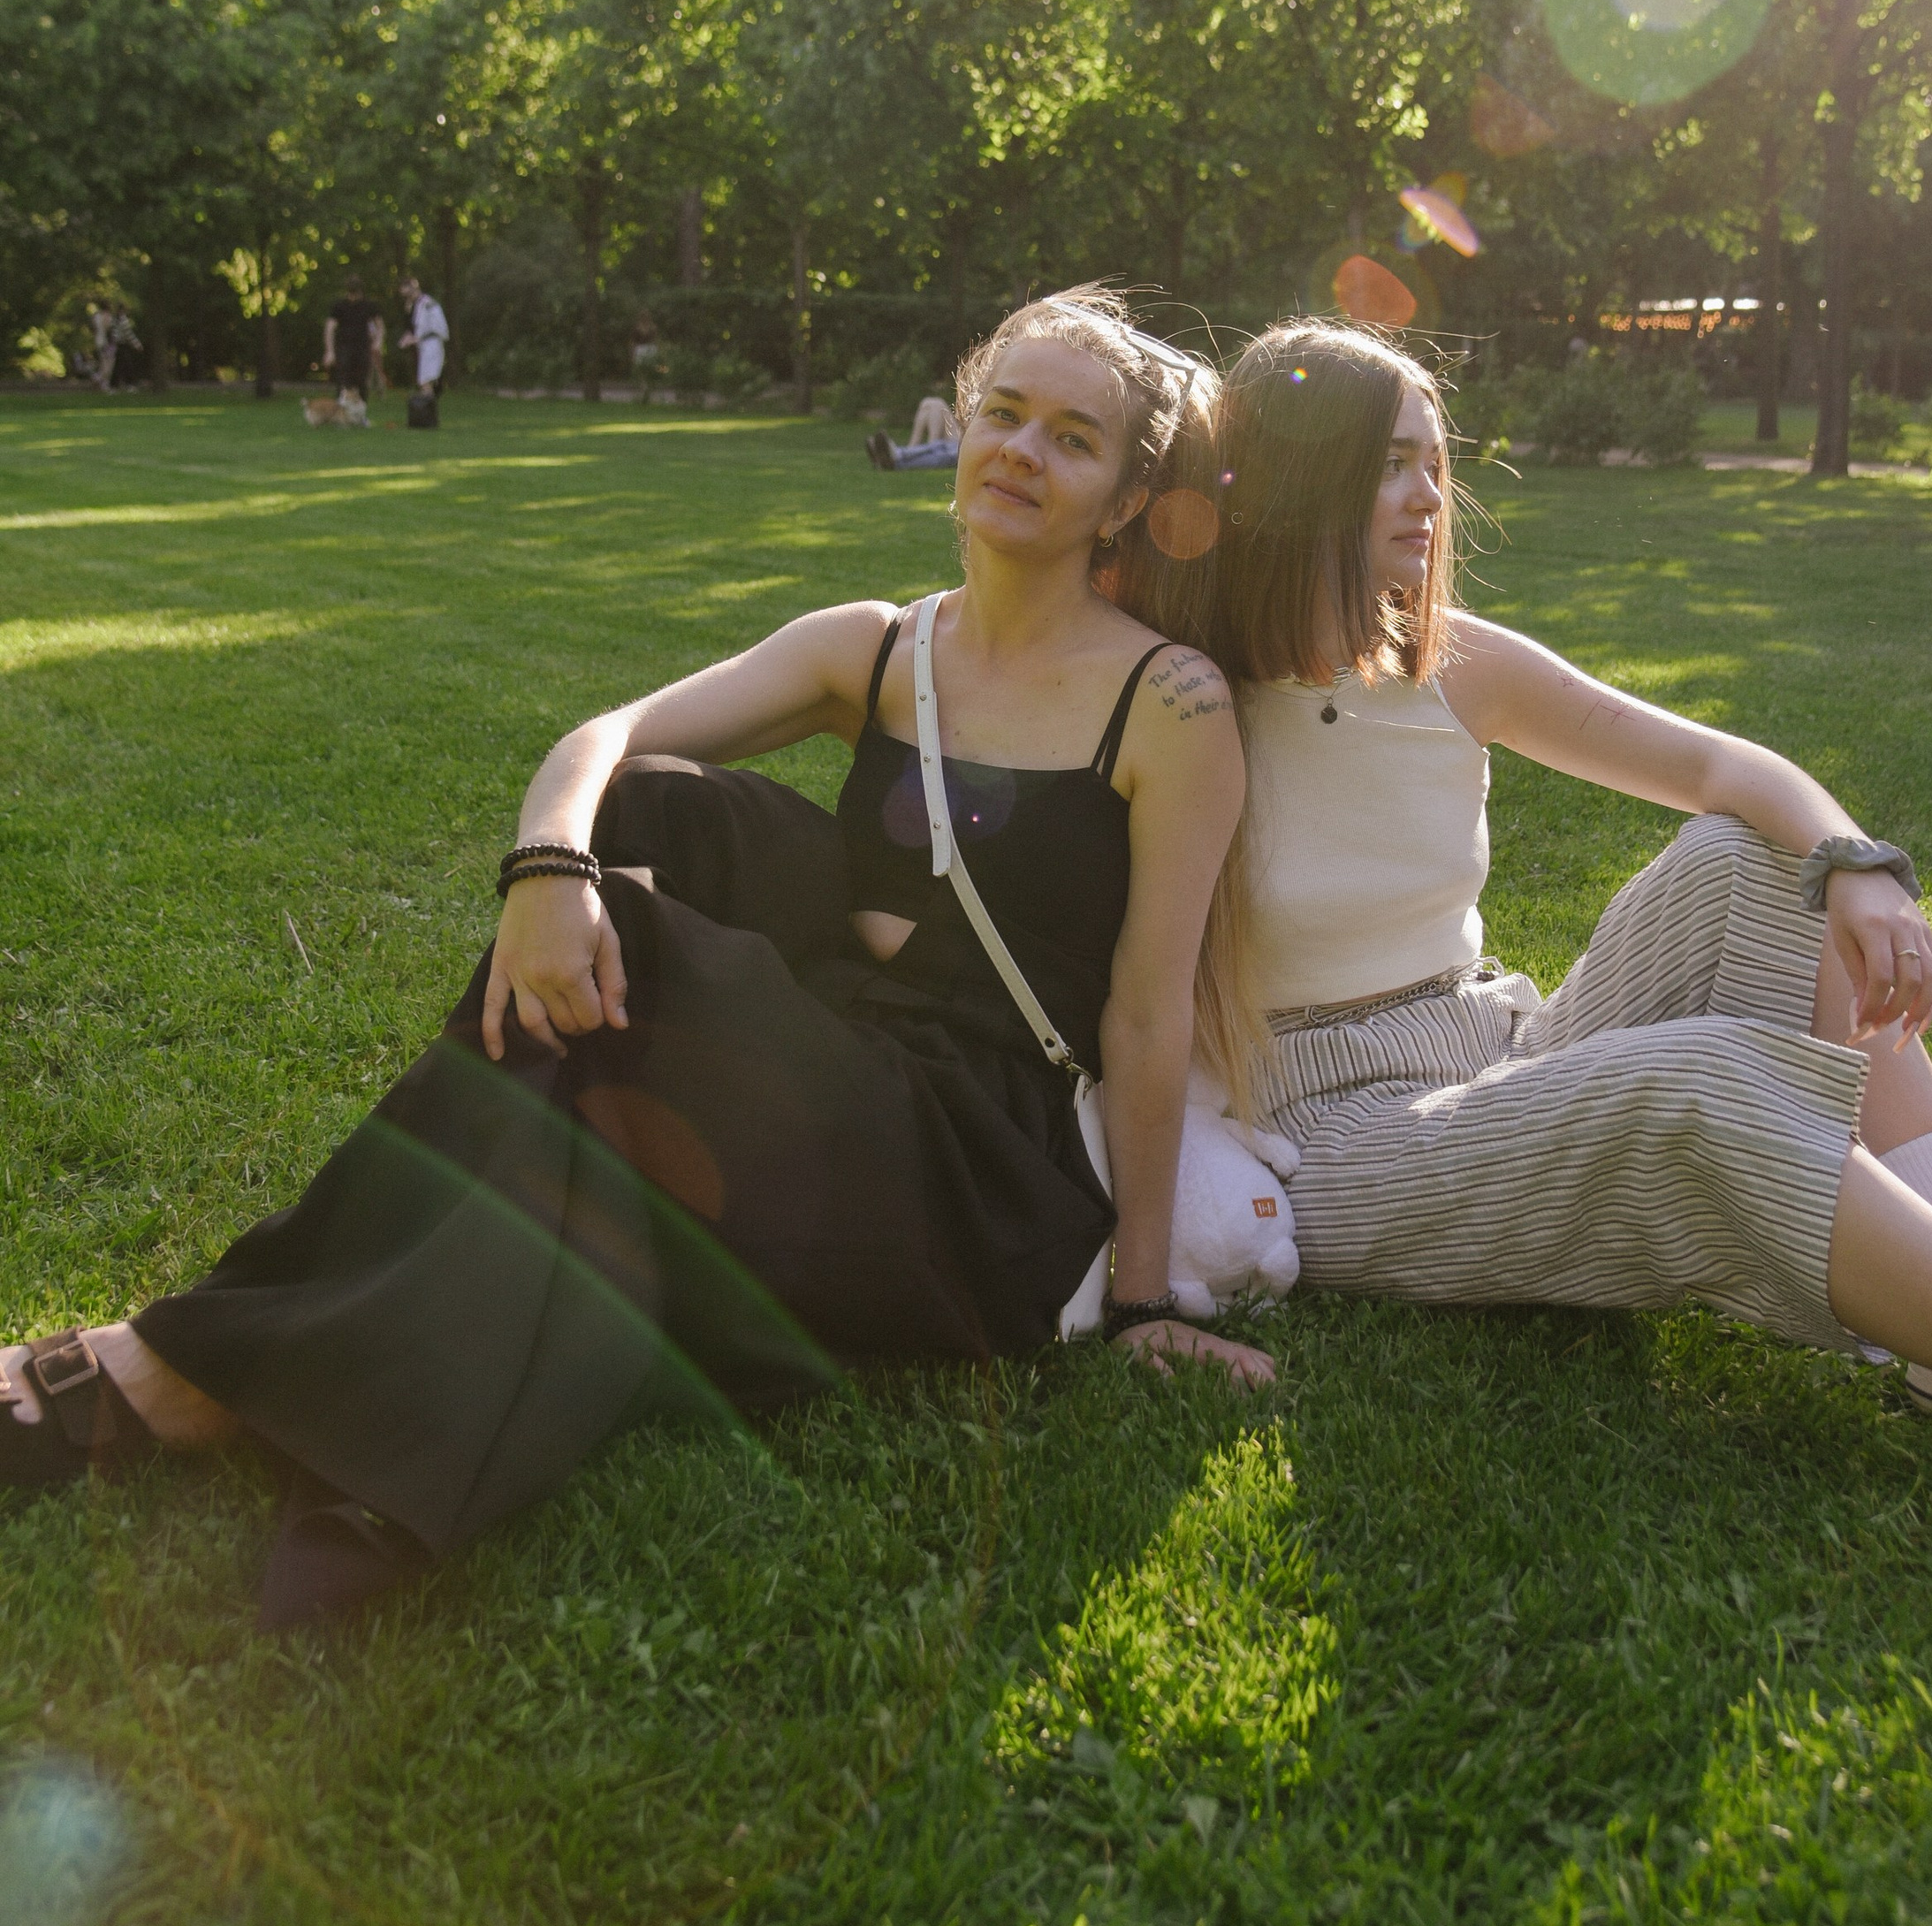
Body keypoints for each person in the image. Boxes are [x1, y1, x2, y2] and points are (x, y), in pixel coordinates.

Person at [2, 290, 1266, 1625]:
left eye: (1074, 438)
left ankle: (171, 1368)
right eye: (1004, 413)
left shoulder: (1169, 700)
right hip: (841, 1061)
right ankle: (345, 1373)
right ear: (961, 424)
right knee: (656, 804)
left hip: (975, 1163)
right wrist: (548, 866)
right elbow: (603, 739)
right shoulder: (880, 646)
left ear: (1126, 497)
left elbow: (1143, 1012)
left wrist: (1138, 1304)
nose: (1021, 450)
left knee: (638, 954)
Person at [1187, 318, 1932, 1560]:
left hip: (1493, 1039)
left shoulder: (1453, 664)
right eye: (1388, 462)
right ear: (1292, 479)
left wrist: (1859, 866)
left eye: (1435, 459)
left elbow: (1719, 765)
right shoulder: (1188, 692)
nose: (1429, 492)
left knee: (1754, 855)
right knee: (1702, 1078)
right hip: (1332, 1132)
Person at [868, 391, 962, 472]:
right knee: (929, 403)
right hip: (961, 441)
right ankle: (909, 450)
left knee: (947, 452)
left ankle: (900, 455)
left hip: (960, 447)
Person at [322, 273, 380, 402]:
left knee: (362, 380)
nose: (353, 297)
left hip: (363, 347)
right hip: (344, 347)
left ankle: (360, 412)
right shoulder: (339, 306)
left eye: (356, 293)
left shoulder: (368, 306)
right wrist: (330, 351)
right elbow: (330, 328)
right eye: (351, 293)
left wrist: (378, 342)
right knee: (343, 379)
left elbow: (380, 325)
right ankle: (341, 410)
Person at [400, 273, 450, 416]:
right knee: (424, 380)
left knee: (426, 380)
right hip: (424, 346)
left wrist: (414, 339)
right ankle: (427, 414)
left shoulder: (428, 304)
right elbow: (416, 328)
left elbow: (437, 329)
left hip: (431, 346)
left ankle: (427, 414)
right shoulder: (418, 306)